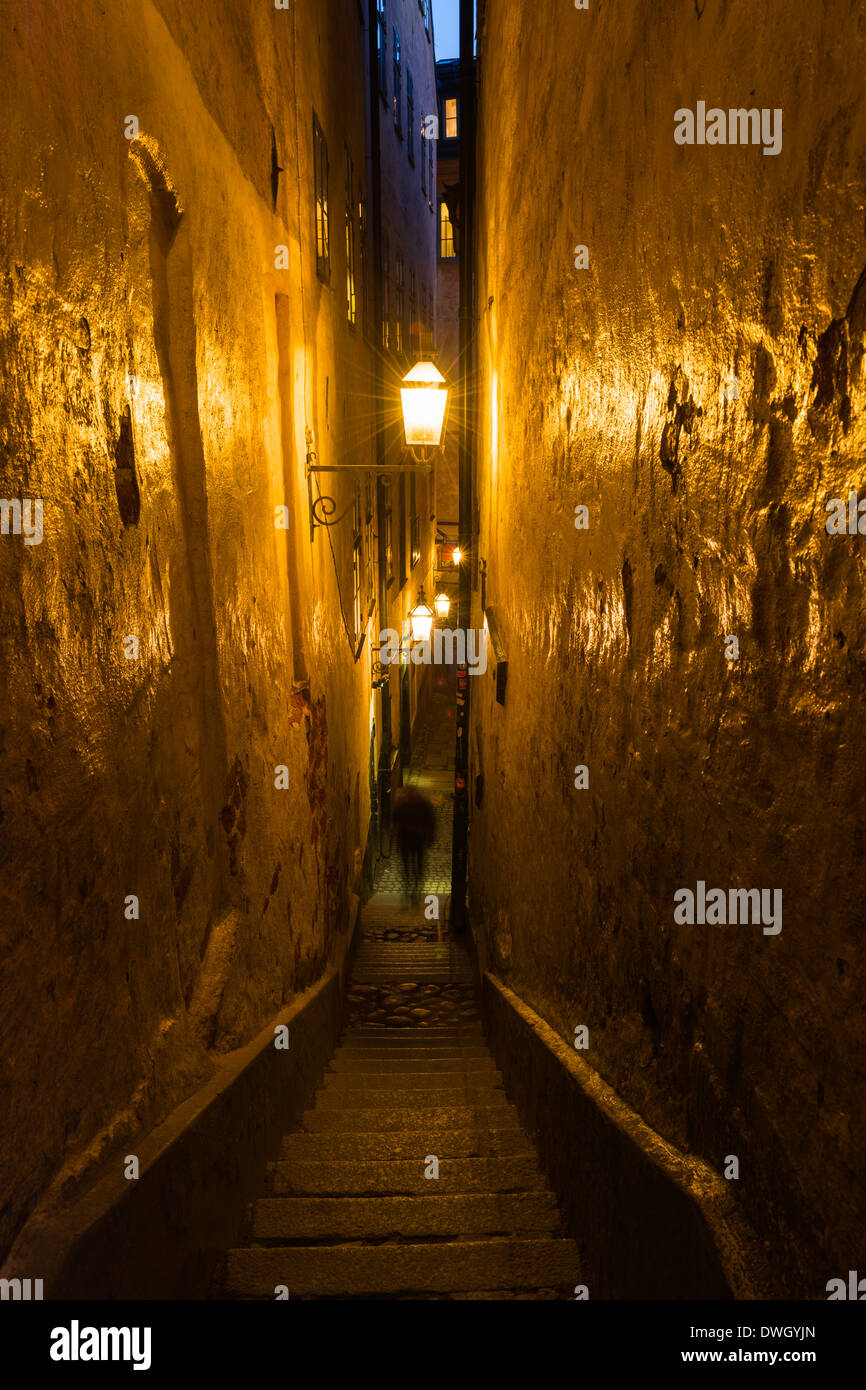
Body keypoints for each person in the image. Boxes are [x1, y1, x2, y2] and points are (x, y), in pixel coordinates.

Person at [392, 784, 436, 901]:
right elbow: (395, 820)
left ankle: (415, 886)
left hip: (416, 839)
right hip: (408, 839)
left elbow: (430, 821)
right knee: (408, 865)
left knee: (416, 865)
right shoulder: (404, 804)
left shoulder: (420, 804)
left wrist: (430, 837)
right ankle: (410, 886)